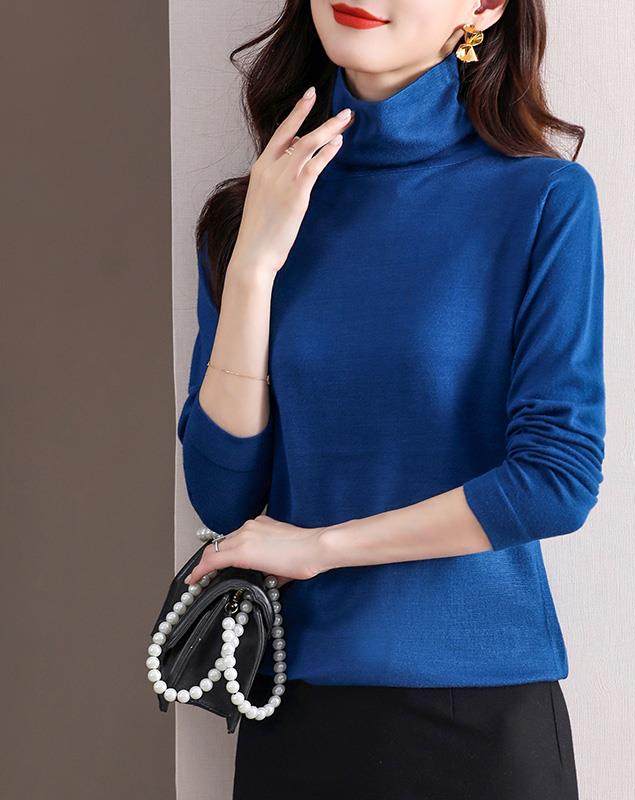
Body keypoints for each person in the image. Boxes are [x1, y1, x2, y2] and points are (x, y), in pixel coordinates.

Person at [177, 1, 605, 797]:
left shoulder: (542, 200)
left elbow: (557, 480)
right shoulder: (248, 214)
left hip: (477, 723)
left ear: (484, 7)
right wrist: (253, 269)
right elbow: (223, 495)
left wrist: (321, 547)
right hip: (292, 714)